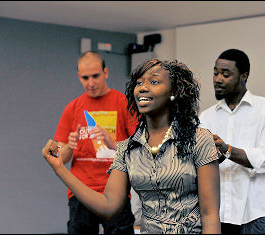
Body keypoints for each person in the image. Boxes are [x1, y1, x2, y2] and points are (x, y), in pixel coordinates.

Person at [43, 59, 221, 234]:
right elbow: (108, 206)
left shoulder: (198, 139)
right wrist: (59, 168)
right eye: (139, 83)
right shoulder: (128, 148)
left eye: (154, 81)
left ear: (173, 90)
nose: (143, 87)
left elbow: (210, 215)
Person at [47, 51, 136, 234]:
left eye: (95, 76)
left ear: (106, 72)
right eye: (85, 78)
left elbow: (139, 149)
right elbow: (60, 159)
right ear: (79, 76)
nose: (91, 83)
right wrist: (69, 147)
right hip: (80, 192)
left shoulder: (123, 102)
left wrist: (112, 142)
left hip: (115, 191)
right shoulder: (72, 108)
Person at [199, 49, 265, 234]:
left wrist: (227, 149)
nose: (217, 79)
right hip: (218, 213)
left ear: (243, 76)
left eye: (225, 74)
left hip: (257, 213)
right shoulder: (206, 117)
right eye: (215, 73)